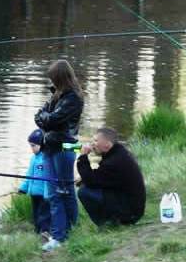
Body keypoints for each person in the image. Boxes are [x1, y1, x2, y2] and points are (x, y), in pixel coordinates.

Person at [34, 59, 84, 251]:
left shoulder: (73, 98)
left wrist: (44, 119)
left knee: (61, 192)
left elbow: (51, 119)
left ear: (61, 78)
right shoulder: (57, 95)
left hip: (64, 147)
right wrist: (44, 118)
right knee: (58, 192)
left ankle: (59, 236)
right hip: (50, 146)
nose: (52, 83)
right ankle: (68, 231)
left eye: (54, 79)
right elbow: (39, 115)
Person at [75, 127, 147, 227]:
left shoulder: (114, 161)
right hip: (130, 205)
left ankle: (106, 224)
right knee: (87, 186)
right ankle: (112, 221)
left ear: (107, 144)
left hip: (130, 212)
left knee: (84, 192)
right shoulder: (119, 153)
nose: (92, 144)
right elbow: (103, 178)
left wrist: (83, 157)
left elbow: (91, 180)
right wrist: (84, 178)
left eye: (96, 140)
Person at [18, 129, 52, 239]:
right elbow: (29, 175)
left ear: (41, 144)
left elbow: (49, 179)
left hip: (44, 195)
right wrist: (23, 188)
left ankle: (45, 232)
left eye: (34, 146)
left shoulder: (47, 158)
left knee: (44, 215)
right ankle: (37, 232)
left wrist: (47, 194)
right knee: (36, 214)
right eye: (30, 146)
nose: (31, 148)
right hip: (34, 193)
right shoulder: (33, 158)